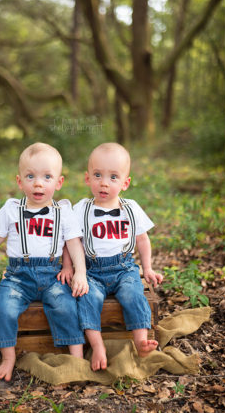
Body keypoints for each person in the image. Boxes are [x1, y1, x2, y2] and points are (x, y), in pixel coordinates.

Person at [0, 142, 89, 381]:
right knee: (3, 309)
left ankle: (77, 357)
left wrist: (79, 271)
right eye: (30, 176)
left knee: (66, 306)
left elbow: (74, 244)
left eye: (47, 177)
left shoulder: (63, 212)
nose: (38, 183)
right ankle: (8, 358)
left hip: (52, 275)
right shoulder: (11, 209)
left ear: (58, 183)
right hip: (18, 277)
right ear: (20, 181)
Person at [69, 142, 162, 370]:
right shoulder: (82, 208)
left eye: (113, 177)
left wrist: (147, 268)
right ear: (87, 178)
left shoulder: (131, 208)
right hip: (93, 270)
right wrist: (69, 268)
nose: (104, 182)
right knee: (88, 298)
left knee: (133, 294)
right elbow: (70, 242)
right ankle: (97, 345)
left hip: (124, 268)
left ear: (125, 183)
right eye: (98, 175)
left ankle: (140, 341)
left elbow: (142, 240)